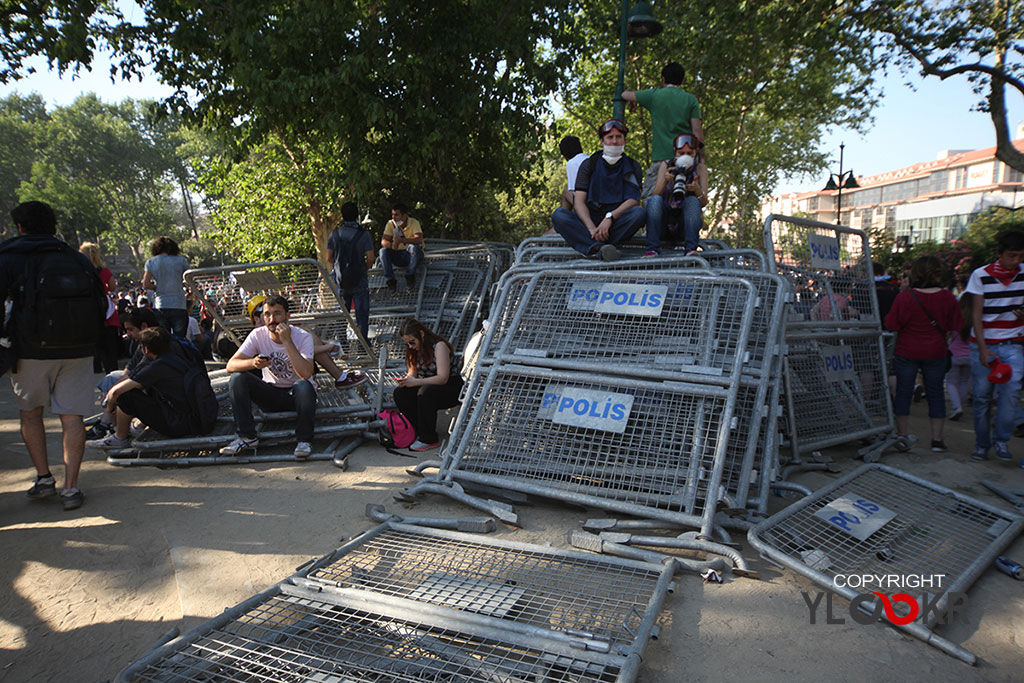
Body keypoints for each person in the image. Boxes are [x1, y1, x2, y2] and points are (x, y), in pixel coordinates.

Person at [0, 201, 106, 511]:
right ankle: (72, 488)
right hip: (78, 348)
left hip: (30, 350)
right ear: (53, 226)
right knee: (72, 418)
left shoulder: (8, 257)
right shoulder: (76, 259)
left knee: (31, 413)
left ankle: (44, 477)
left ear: (20, 227)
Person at [221, 295, 318, 458]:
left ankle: (304, 440)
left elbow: (306, 373)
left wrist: (286, 341)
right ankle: (247, 437)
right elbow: (230, 365)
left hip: (298, 396)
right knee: (237, 378)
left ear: (288, 316)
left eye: (277, 314)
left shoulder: (303, 336)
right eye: (267, 314)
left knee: (303, 385)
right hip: (271, 393)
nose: (272, 319)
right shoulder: (257, 335)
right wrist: (253, 363)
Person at [884, 255, 963, 452]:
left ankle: (901, 435)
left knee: (903, 392)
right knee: (936, 394)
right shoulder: (947, 297)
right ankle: (937, 440)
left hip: (907, 350)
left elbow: (892, 324)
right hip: (935, 351)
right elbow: (957, 325)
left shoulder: (905, 297)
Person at [550, 119, 649, 261]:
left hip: (615, 222)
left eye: (618, 137)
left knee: (639, 213)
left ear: (624, 140)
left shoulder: (633, 166)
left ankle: (595, 245)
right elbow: (579, 202)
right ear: (602, 142)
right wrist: (591, 228)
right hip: (589, 222)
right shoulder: (589, 164)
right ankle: (599, 247)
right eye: (610, 137)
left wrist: (610, 217)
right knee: (559, 215)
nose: (614, 141)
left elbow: (634, 200)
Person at [965, 229, 1024, 462]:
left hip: (1012, 342)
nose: (1016, 261)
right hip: (984, 342)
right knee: (981, 397)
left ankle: (1001, 441)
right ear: (1000, 254)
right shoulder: (980, 275)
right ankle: (982, 444)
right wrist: (982, 348)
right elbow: (976, 316)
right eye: (1012, 255)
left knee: (1011, 394)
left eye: (1020, 256)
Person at [86, 327, 195, 448]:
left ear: (146, 349)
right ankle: (136, 427)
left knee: (125, 396)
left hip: (178, 424)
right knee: (145, 390)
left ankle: (120, 437)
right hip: (192, 418)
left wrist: (109, 408)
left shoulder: (155, 366)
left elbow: (116, 392)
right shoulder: (175, 359)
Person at [622, 61, 705, 198]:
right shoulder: (691, 100)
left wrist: (635, 100)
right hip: (686, 159)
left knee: (650, 201)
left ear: (663, 79)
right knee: (689, 200)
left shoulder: (654, 95)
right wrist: (701, 157)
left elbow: (624, 95)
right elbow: (697, 131)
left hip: (660, 160)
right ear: (682, 80)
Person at [86, 307, 161, 439]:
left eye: (130, 330)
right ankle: (111, 425)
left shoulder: (154, 344)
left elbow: (140, 376)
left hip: (157, 392)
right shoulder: (142, 343)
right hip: (147, 383)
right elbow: (129, 370)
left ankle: (115, 430)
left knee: (122, 393)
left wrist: (112, 397)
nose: (128, 334)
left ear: (143, 326)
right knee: (112, 378)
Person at [394, 318, 464, 451]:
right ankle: (418, 430)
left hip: (452, 387)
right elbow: (412, 372)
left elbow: (443, 378)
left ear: (421, 334)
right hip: (429, 385)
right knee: (400, 393)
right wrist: (407, 380)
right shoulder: (413, 350)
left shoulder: (439, 346)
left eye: (412, 342)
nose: (410, 346)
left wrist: (416, 382)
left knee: (425, 392)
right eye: (407, 343)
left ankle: (429, 438)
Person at [644, 133, 708, 255]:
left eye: (690, 154)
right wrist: (665, 180)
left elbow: (704, 202)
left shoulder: (700, 168)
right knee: (654, 201)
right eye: (681, 153)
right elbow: (654, 196)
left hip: (686, 224)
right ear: (675, 152)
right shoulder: (666, 164)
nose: (685, 156)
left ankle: (691, 249)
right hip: (664, 222)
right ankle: (652, 249)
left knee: (693, 201)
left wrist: (696, 189)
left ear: (695, 153)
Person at [326, 201, 374, 339]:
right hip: (359, 279)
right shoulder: (363, 235)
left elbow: (329, 257)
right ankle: (362, 347)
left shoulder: (334, 234)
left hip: (341, 280)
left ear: (342, 216)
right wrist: (364, 268)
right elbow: (370, 258)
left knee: (341, 314)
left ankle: (343, 345)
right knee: (362, 315)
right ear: (357, 215)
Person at [79, 242, 120, 373]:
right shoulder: (104, 270)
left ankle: (95, 367)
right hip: (106, 310)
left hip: (89, 310)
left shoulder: (81, 271)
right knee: (110, 347)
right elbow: (113, 287)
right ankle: (111, 370)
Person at [142, 236, 190, 338]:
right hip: (179, 304)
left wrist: (156, 287)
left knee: (163, 339)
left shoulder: (151, 262)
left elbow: (145, 284)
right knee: (180, 338)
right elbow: (190, 278)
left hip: (160, 304)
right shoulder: (181, 261)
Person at [379, 202, 424, 292]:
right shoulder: (390, 224)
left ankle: (410, 276)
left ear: (404, 216)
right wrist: (392, 245)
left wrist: (402, 240)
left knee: (413, 247)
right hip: (398, 254)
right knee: (383, 251)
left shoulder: (414, 222)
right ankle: (391, 280)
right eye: (392, 215)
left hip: (412, 255)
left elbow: (418, 239)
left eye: (397, 215)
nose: (394, 218)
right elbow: (384, 241)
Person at [946, 295, 974, 422]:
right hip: (970, 356)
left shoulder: (955, 318)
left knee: (951, 382)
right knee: (964, 382)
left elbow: (948, 334)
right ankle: (960, 405)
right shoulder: (976, 319)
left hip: (954, 355)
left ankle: (956, 407)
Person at [558, 135, 589, 211]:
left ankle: (564, 218)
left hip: (588, 206)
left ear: (565, 157)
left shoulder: (572, 163)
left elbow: (575, 191)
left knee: (566, 190)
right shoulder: (589, 158)